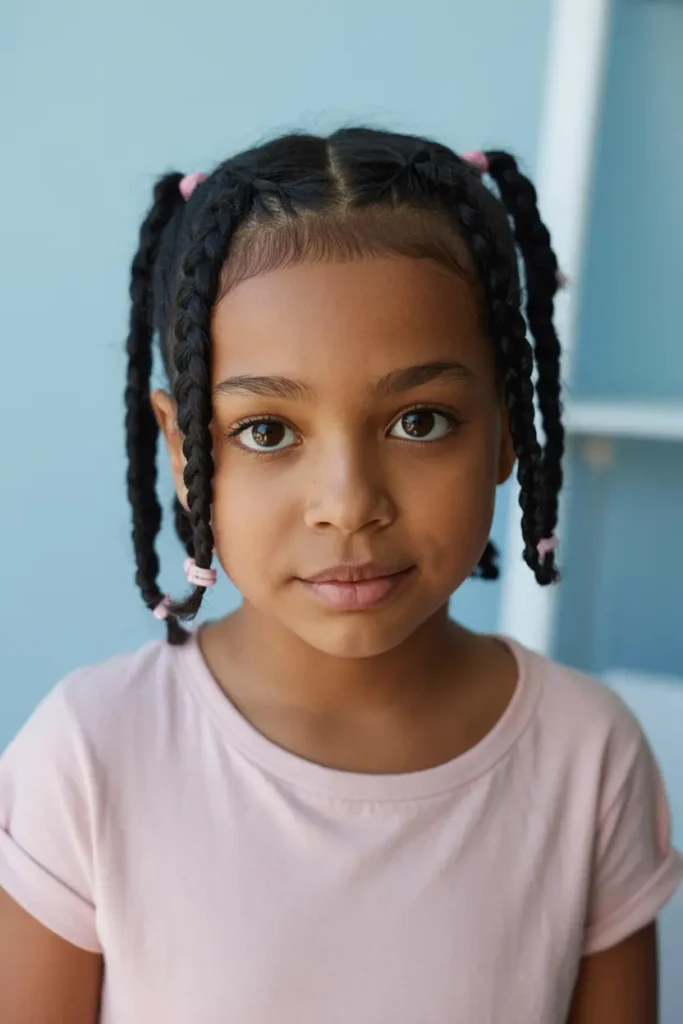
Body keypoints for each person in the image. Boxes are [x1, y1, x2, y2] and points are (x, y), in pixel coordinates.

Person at [0, 128, 680, 1024]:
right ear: (181, 448)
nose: (348, 504)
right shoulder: (89, 757)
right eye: (268, 431)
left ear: (507, 427)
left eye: (421, 420)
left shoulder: (588, 758)